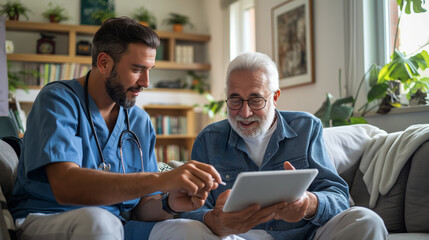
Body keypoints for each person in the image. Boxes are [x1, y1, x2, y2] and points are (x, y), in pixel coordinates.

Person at [9, 17, 223, 240]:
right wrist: (163, 179)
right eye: (138, 69)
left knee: (194, 231)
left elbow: (144, 207)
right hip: (48, 217)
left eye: (150, 69)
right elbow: (66, 186)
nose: (146, 82)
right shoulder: (58, 100)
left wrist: (169, 204)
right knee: (100, 224)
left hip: (117, 224)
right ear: (104, 63)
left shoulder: (139, 120)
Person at [177, 52, 388, 240]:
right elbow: (189, 209)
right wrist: (215, 219)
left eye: (255, 100)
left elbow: (337, 195)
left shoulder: (306, 127)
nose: (244, 112)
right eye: (235, 100)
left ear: (275, 97)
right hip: (237, 237)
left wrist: (308, 204)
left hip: (307, 234)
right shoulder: (208, 140)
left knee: (367, 220)